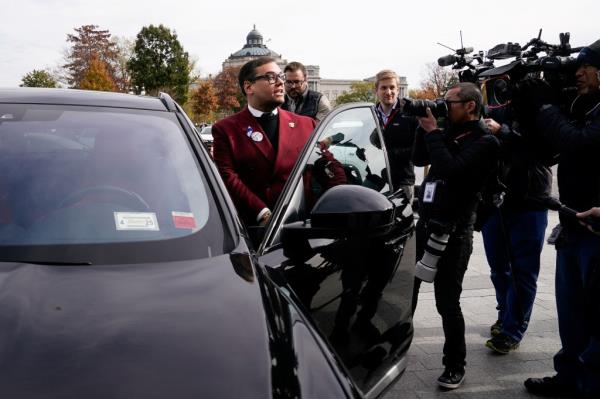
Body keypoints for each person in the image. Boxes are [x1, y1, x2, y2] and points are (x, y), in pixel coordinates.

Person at [518, 39, 600, 398]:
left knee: (598, 317)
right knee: (571, 311)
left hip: (597, 230)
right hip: (573, 223)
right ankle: (569, 376)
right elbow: (548, 148)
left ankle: (591, 383)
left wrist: (547, 106)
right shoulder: (583, 104)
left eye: (586, 67)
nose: (577, 73)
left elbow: (577, 141)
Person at [411, 82, 500, 389]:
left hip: (454, 231)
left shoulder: (485, 141)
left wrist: (434, 132)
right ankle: (392, 344)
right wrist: (421, 126)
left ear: (470, 106)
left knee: (447, 302)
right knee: (404, 291)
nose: (443, 107)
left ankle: (455, 365)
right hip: (426, 223)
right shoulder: (445, 130)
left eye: (448, 102)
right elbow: (419, 159)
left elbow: (452, 169)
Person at [212, 57, 316, 227]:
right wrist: (262, 213)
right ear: (248, 87)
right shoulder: (226, 129)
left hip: (299, 227)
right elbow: (227, 176)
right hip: (251, 230)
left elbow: (326, 166)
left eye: (281, 77)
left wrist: (342, 204)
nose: (280, 83)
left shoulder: (306, 124)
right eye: (270, 77)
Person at [480, 115, 552, 354]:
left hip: (530, 201)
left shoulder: (540, 110)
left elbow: (540, 152)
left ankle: (513, 330)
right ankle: (505, 316)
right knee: (498, 269)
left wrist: (502, 131)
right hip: (495, 203)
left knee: (523, 272)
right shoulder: (488, 106)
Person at [373, 70, 418, 199]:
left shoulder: (410, 113)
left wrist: (390, 154)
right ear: (376, 90)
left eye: (392, 87)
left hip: (403, 181)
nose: (388, 92)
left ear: (398, 90)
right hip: (378, 178)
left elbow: (418, 149)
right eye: (384, 88)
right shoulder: (371, 114)